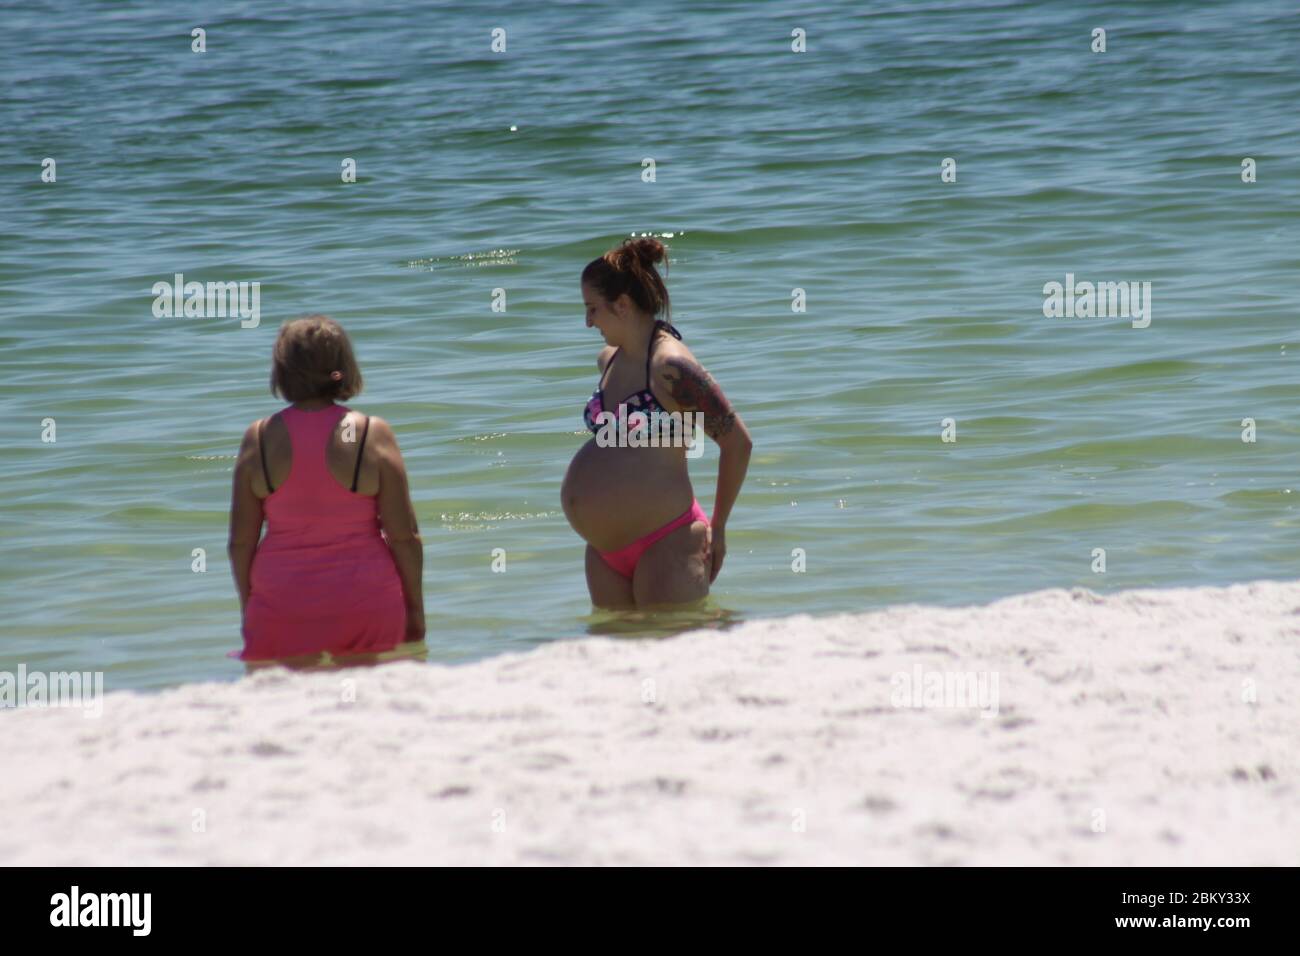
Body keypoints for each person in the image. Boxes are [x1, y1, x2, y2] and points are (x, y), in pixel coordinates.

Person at [562, 237, 752, 608]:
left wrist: (720, 528)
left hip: (667, 541)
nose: (587, 322)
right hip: (603, 552)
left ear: (622, 306)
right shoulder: (609, 360)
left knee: (676, 650)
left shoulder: (670, 368)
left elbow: (737, 443)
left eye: (592, 309)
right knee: (614, 658)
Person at [227, 314, 424, 660]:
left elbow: (240, 543)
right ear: (343, 368)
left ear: (282, 371)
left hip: (282, 606)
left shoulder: (258, 439)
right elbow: (404, 536)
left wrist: (250, 607)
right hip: (366, 602)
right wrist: (415, 609)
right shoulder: (371, 434)